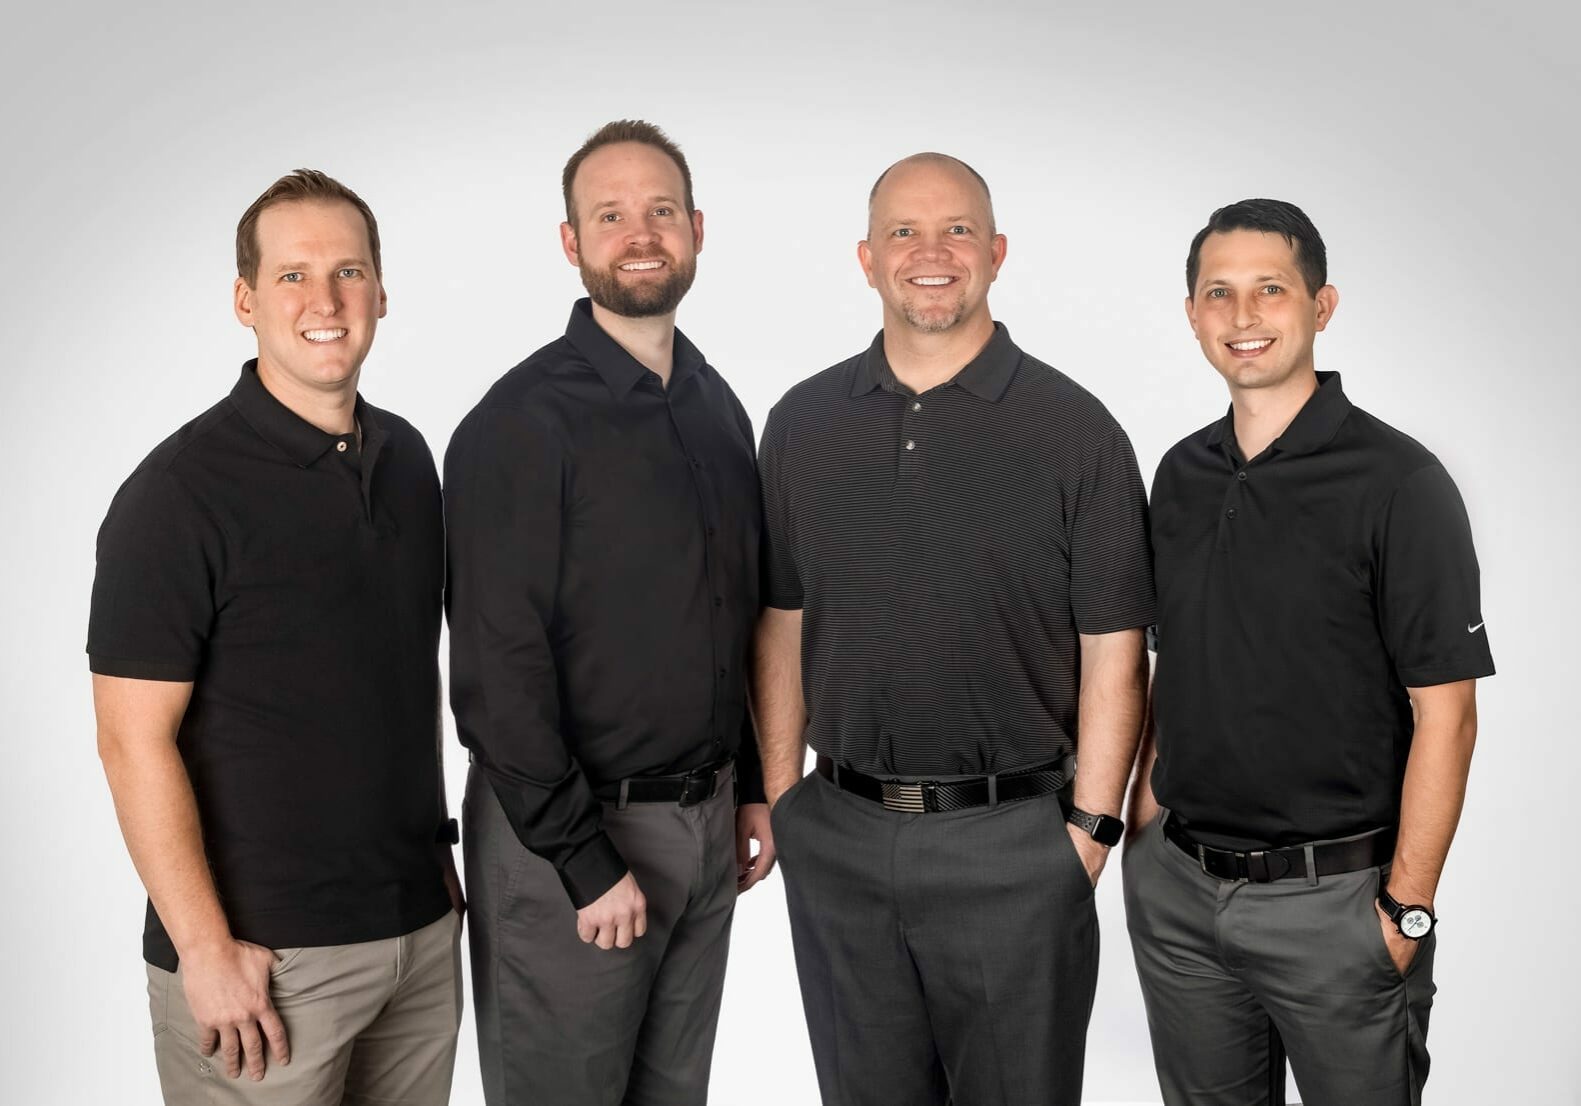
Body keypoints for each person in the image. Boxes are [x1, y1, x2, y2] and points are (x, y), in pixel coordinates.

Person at [753, 152, 1154, 1106]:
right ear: (865, 258)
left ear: (997, 252)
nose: (930, 254)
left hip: (1014, 845)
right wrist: (784, 798)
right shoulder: (801, 425)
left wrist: (1089, 831)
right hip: (839, 838)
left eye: (957, 231)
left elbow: (1115, 650)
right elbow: (779, 620)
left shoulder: (1074, 431)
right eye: (903, 232)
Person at [89, 169, 463, 1105]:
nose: (326, 301)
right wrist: (205, 949)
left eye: (348, 272)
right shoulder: (177, 496)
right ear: (246, 301)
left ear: (381, 290)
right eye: (293, 276)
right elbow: (130, 739)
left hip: (418, 941)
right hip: (264, 965)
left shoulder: (409, 460)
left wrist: (439, 885)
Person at [1122, 198, 1494, 1106]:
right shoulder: (1179, 473)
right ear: (1191, 315)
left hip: (1336, 906)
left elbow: (1445, 712)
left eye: (1269, 290)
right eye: (1219, 292)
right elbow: (1175, 655)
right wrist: (1144, 812)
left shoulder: (1398, 482)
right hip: (1179, 893)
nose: (1242, 317)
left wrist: (1404, 909)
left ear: (1320, 307)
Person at [444, 119, 770, 1106]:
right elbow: (497, 672)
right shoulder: (521, 424)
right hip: (570, 840)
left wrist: (750, 786)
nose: (641, 233)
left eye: (661, 210)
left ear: (698, 230)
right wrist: (583, 859)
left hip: (705, 826)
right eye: (611, 214)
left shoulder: (717, 407)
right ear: (571, 241)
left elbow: (730, 619)